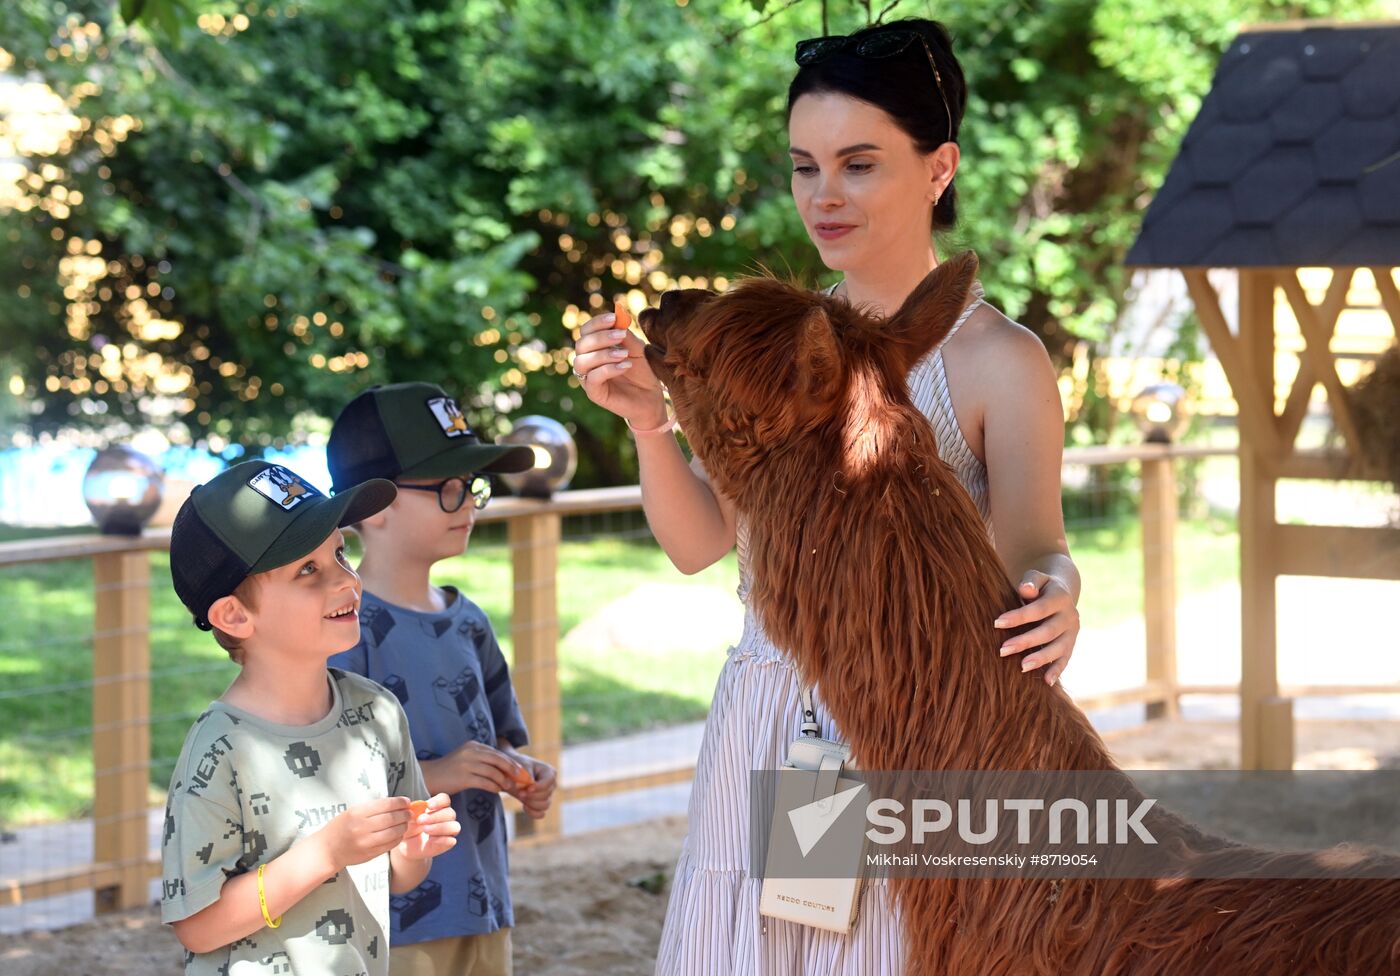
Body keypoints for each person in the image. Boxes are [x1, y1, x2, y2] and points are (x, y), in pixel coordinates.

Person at [571, 18, 1082, 974]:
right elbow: (700, 547)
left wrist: (1060, 593)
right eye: (805, 166)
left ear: (940, 168)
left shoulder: (1000, 362)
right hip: (773, 722)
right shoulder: (776, 349)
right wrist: (651, 422)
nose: (824, 195)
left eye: (858, 163)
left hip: (912, 732)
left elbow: (1037, 551)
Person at [160, 459, 461, 976]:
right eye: (308, 570)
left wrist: (414, 847)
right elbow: (198, 925)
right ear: (234, 615)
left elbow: (397, 876)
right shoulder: (220, 749)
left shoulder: (377, 712)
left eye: (341, 554)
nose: (346, 580)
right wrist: (327, 851)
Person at [326, 382, 559, 976]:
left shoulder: (469, 620)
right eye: (448, 490)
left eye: (473, 487)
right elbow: (322, 789)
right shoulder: (340, 633)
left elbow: (501, 736)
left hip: (485, 905)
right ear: (373, 506)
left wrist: (520, 773)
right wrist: (440, 776)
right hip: (394, 927)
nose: (471, 504)